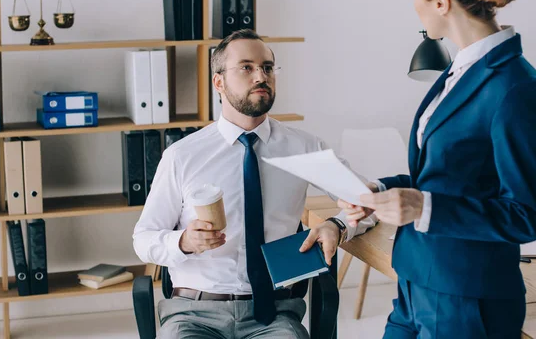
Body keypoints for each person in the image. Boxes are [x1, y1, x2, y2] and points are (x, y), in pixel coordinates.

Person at [343, 0, 536, 338]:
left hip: (468, 299)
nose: (412, 1)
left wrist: (423, 208)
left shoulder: (514, 87)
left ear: (441, 2)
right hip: (416, 279)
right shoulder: (460, 70)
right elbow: (449, 175)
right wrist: (382, 189)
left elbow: (526, 214)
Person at [132, 29, 377, 339]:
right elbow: (143, 240)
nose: (261, 76)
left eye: (268, 67)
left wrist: (338, 226)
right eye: (246, 67)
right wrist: (183, 242)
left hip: (273, 317)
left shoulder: (303, 148)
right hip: (193, 315)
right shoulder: (183, 155)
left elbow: (371, 202)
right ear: (218, 82)